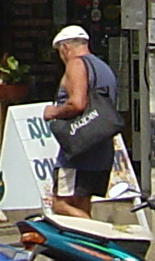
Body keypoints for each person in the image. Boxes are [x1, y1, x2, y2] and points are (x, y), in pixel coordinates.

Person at [41, 24, 120, 220]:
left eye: (60, 52)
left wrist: (54, 112)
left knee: (60, 204)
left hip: (78, 150)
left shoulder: (76, 64)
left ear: (66, 47)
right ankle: (88, 245)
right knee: (83, 203)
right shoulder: (104, 68)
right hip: (101, 148)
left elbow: (77, 103)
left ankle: (97, 234)